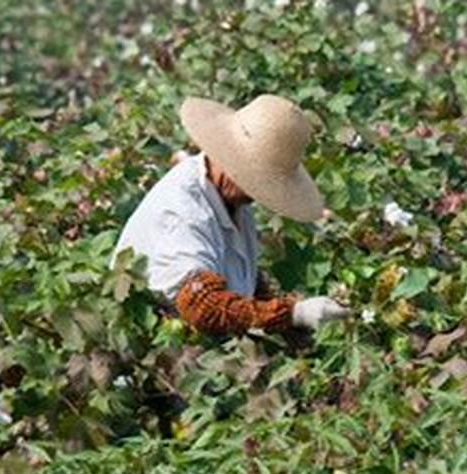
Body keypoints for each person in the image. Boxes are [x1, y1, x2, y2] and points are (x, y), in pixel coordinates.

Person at [113, 94, 350, 338]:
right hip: (162, 350)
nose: (257, 193)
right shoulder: (183, 211)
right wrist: (293, 313)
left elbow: (241, 280)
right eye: (257, 181)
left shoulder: (233, 199)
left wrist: (288, 326)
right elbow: (201, 305)